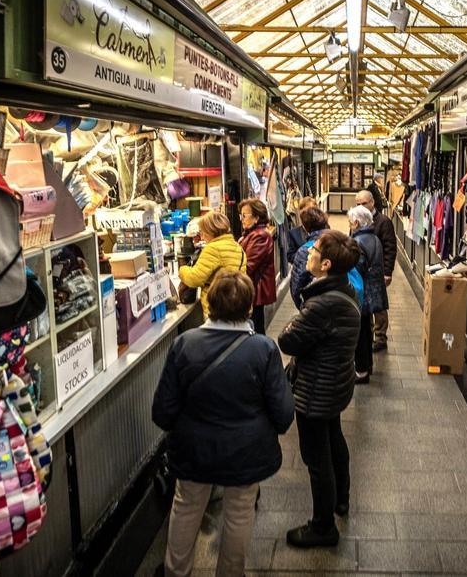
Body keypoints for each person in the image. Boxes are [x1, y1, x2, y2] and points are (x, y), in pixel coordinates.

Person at [152, 271, 295, 577]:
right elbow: (283, 412)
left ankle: (176, 571)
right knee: (240, 511)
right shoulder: (264, 349)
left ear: (209, 301)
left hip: (193, 450)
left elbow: (162, 411)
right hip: (246, 451)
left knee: (187, 506)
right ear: (248, 308)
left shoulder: (185, 345)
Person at [277, 230, 361, 548]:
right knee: (334, 439)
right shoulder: (344, 289)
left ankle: (323, 527)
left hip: (316, 389)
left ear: (325, 264)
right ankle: (341, 498)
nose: (307, 254)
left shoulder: (322, 304)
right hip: (335, 383)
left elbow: (288, 338)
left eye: (312, 251)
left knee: (316, 458)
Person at [179, 212, 246, 319]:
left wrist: (183, 269)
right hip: (238, 304)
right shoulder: (238, 247)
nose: (202, 236)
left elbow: (194, 279)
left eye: (202, 231)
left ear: (210, 231)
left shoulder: (213, 249)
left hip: (218, 308)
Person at [347, 206, 387, 384]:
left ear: (356, 222)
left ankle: (362, 371)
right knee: (366, 332)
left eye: (350, 221)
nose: (349, 224)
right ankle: (367, 365)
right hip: (375, 291)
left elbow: (357, 270)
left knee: (361, 334)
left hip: (363, 294)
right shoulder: (374, 238)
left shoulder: (358, 242)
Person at [355, 190, 396, 352]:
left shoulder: (383, 222)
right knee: (365, 304)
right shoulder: (356, 220)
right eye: (358, 204)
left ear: (372, 202)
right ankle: (369, 333)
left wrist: (388, 272)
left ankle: (380, 337)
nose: (360, 207)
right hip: (361, 271)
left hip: (377, 272)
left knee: (378, 306)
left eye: (363, 203)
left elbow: (390, 248)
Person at [238, 198, 276, 334]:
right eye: (240, 215)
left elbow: (248, 266)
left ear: (256, 218)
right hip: (253, 290)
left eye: (244, 216)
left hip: (256, 291)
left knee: (256, 328)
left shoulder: (260, 236)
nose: (241, 219)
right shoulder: (251, 234)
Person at [289, 206, 329, 307]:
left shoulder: (305, 250)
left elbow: (297, 283)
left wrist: (302, 307)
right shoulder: (336, 241)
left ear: (305, 227)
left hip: (314, 304)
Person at [284, 196, 318, 267]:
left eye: (312, 211)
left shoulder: (321, 231)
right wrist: (303, 256)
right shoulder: (294, 233)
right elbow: (290, 256)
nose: (309, 215)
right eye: (306, 211)